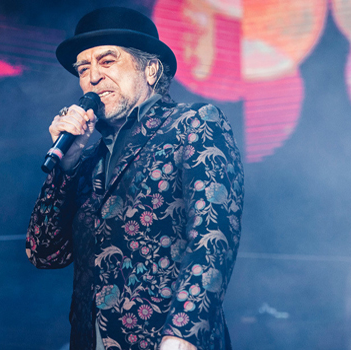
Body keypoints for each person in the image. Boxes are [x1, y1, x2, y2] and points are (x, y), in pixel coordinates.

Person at [26, 7, 244, 350]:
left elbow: (212, 235)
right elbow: (44, 253)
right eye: (84, 69)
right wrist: (65, 168)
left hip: (167, 340)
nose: (92, 78)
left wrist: (183, 335)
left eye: (107, 61)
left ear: (151, 69)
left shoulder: (192, 123)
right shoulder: (87, 157)